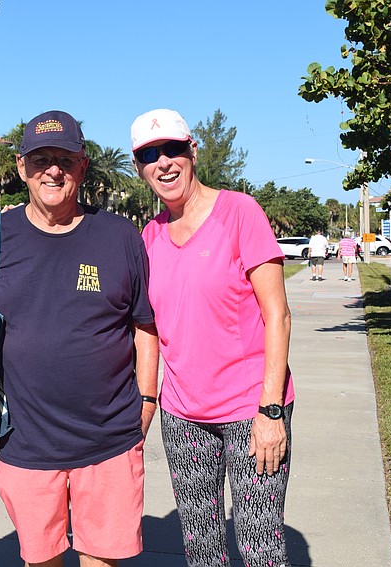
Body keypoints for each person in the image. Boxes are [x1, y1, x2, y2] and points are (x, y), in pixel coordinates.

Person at [0, 110, 159, 567]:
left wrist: (147, 403)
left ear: (83, 165)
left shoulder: (119, 236)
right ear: (21, 168)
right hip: (27, 443)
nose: (52, 170)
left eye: (64, 159)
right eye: (40, 159)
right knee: (42, 561)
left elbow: (144, 327)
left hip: (109, 441)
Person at [131, 108, 294, 567]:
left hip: (250, 410)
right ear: (139, 167)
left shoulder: (240, 212)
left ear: (193, 151)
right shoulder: (150, 236)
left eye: (173, 150)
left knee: (261, 545)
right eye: (148, 155)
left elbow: (278, 315)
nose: (163, 163)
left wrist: (271, 409)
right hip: (182, 416)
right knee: (201, 547)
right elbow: (145, 328)